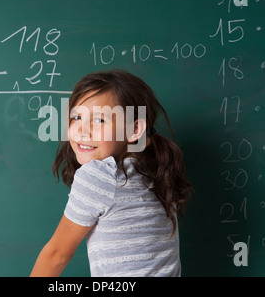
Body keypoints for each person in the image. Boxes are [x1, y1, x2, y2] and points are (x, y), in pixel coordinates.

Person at [30, 70, 192, 277]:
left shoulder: (100, 175)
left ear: (135, 129)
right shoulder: (158, 171)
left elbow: (57, 254)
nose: (82, 130)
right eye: (77, 117)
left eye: (99, 120)